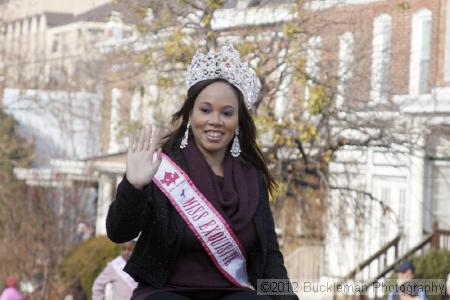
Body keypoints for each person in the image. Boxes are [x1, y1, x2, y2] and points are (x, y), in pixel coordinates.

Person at [106, 45, 298, 300]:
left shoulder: (252, 177)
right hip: (167, 291)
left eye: (227, 113)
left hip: (231, 293)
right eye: (205, 110)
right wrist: (134, 187)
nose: (215, 120)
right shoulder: (159, 166)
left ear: (238, 121)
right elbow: (119, 232)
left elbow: (270, 256)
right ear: (189, 115)